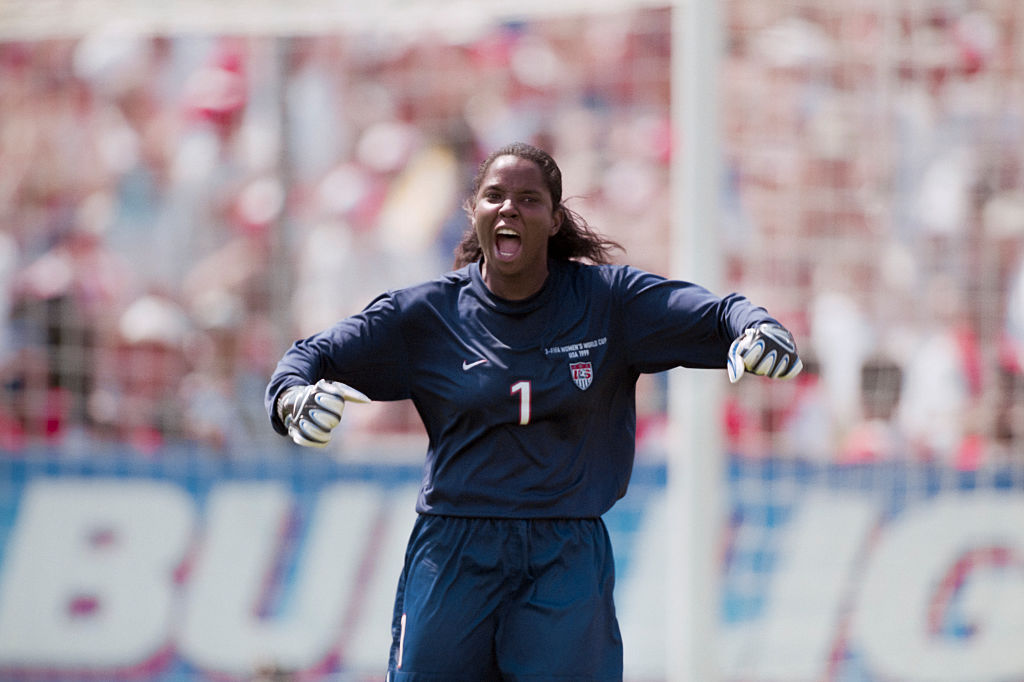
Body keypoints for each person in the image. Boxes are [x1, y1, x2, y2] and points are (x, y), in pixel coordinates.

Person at [265, 142, 802, 680]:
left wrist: (759, 330)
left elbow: (720, 314)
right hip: (453, 551)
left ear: (553, 219)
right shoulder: (426, 315)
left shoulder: (608, 302)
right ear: (472, 211)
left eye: (529, 199)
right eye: (494, 196)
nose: (509, 209)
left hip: (565, 555)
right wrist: (291, 397)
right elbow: (309, 359)